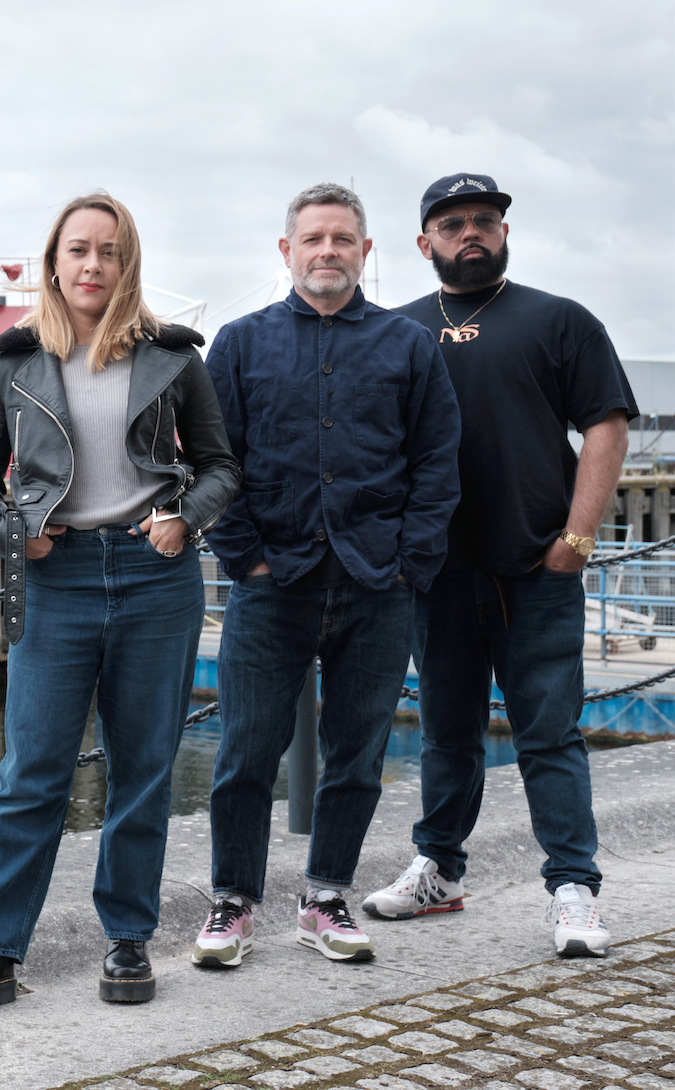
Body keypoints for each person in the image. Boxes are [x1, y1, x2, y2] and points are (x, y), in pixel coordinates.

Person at [0, 190, 239, 1020]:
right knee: (31, 774)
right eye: (78, 250)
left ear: (126, 262)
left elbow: (219, 467)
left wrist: (185, 521)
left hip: (154, 576)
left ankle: (129, 938)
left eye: (108, 250)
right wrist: (14, 534)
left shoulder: (175, 357)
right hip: (55, 578)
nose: (92, 264)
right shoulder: (15, 361)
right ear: (54, 263)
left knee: (142, 770)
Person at [363, 174, 636, 958]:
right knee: (448, 731)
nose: (470, 232)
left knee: (549, 733)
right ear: (426, 243)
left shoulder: (561, 320)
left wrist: (576, 540)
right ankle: (439, 871)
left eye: (485, 219)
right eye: (452, 224)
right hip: (436, 571)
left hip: (535, 569)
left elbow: (606, 428)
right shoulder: (398, 330)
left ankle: (574, 889)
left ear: (506, 232)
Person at [193, 183, 460, 970]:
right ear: (287, 250)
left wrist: (411, 561)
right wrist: (246, 556)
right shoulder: (238, 345)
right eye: (313, 238)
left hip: (377, 583)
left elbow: (437, 462)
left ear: (365, 252)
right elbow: (213, 460)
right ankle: (233, 902)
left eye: (343, 239)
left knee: (357, 751)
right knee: (244, 749)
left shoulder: (409, 346)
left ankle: (325, 896)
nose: (328, 251)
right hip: (272, 584)